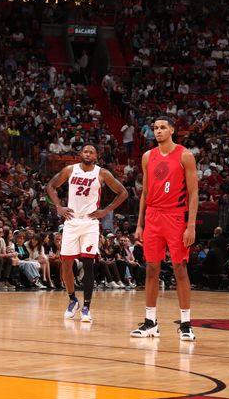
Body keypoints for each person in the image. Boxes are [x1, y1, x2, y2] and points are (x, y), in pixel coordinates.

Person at [131, 116, 199, 341]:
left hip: (175, 217)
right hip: (152, 216)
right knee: (151, 269)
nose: (158, 131)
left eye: (162, 128)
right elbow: (146, 192)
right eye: (155, 128)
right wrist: (140, 223)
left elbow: (194, 193)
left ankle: (186, 323)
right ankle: (150, 322)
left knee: (180, 268)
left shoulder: (185, 156)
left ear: (172, 130)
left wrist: (190, 226)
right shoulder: (147, 156)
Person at [46, 144, 129, 322]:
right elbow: (51, 186)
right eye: (85, 151)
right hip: (71, 221)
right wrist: (59, 206)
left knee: (88, 264)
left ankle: (86, 307)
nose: (88, 154)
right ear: (80, 154)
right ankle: (72, 299)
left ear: (96, 156)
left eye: (91, 152)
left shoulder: (102, 173)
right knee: (66, 264)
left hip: (90, 223)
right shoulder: (70, 170)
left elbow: (123, 192)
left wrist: (106, 211)